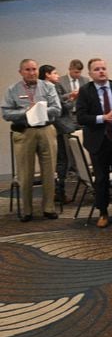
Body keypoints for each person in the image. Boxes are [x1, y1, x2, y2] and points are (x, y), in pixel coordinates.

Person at [75, 58, 112, 228]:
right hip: (98, 142)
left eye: (103, 68)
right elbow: (81, 117)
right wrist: (104, 118)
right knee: (101, 180)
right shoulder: (85, 91)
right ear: (90, 74)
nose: (101, 71)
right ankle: (103, 213)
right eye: (97, 69)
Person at [2, 59, 61, 221]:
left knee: (49, 172)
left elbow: (57, 109)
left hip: (46, 130)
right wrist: (26, 112)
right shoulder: (13, 89)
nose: (32, 72)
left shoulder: (48, 86)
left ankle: (49, 208)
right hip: (24, 132)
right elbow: (6, 113)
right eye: (27, 69)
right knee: (25, 174)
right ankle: (27, 210)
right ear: (21, 72)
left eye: (34, 69)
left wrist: (39, 110)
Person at [39, 65, 76, 203]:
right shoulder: (49, 88)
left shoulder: (45, 87)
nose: (58, 75)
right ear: (47, 75)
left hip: (52, 127)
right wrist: (72, 99)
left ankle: (57, 192)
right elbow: (61, 108)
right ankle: (59, 192)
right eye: (55, 73)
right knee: (61, 161)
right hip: (58, 127)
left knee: (58, 161)